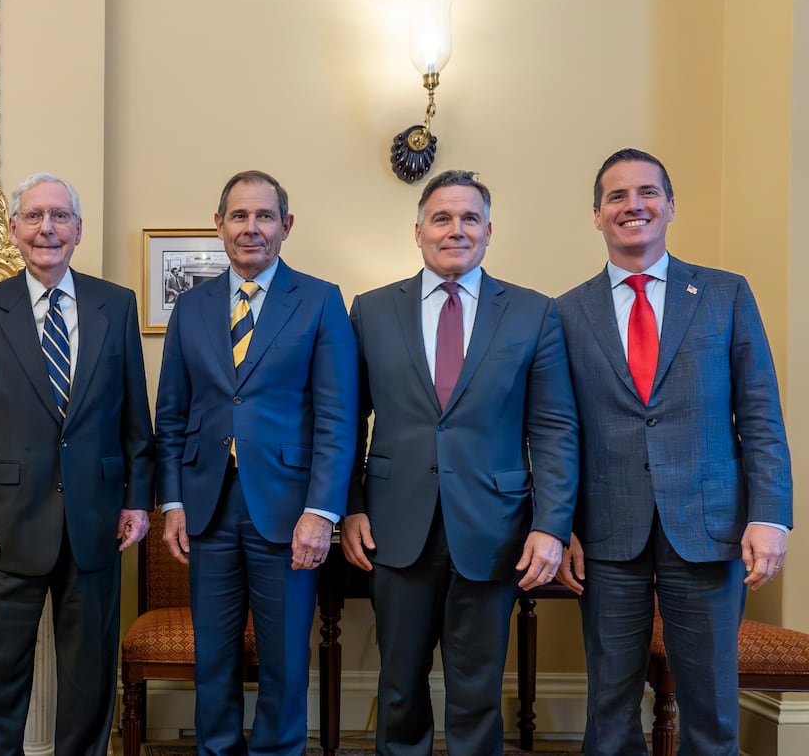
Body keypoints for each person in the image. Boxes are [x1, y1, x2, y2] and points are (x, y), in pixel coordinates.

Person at [555, 148, 793, 754]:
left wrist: (768, 515)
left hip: (709, 524)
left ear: (669, 205)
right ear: (596, 214)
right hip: (607, 531)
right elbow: (556, 430)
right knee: (609, 710)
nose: (633, 205)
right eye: (616, 196)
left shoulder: (724, 293)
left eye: (646, 192)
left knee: (710, 708)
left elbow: (760, 413)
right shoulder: (565, 312)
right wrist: (558, 526)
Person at [340, 169, 578, 755]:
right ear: (418, 231)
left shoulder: (533, 312)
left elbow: (553, 428)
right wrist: (350, 506)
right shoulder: (370, 311)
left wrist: (551, 525)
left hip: (494, 528)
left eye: (470, 218)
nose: (456, 229)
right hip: (395, 526)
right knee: (398, 687)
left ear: (490, 231)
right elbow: (348, 420)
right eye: (442, 218)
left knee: (476, 692)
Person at [0, 172, 154, 754]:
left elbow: (135, 418)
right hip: (3, 527)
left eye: (59, 216)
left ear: (78, 230)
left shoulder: (116, 305)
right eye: (33, 217)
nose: (46, 229)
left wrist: (137, 498)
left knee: (88, 687)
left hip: (96, 523)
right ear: (13, 230)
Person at [154, 169, 358, 755]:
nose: (252, 228)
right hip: (207, 509)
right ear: (219, 225)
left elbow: (338, 418)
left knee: (285, 659)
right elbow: (171, 413)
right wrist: (171, 502)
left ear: (285, 226)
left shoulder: (321, 300)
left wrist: (322, 511)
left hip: (290, 510)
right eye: (239, 216)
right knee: (213, 659)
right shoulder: (191, 308)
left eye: (264, 216)